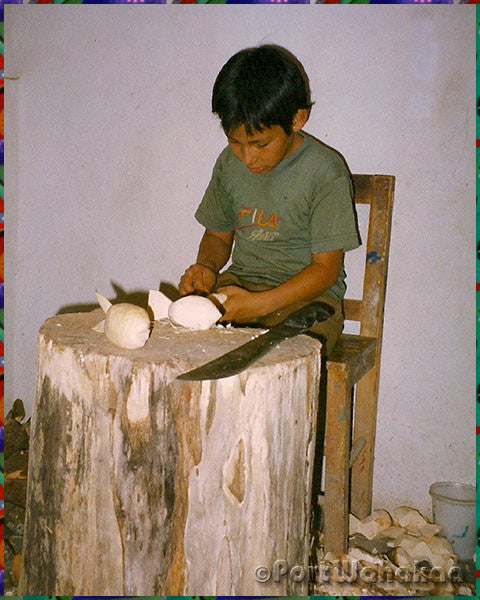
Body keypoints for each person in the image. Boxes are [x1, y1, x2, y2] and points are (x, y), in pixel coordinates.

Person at [179, 44, 360, 355]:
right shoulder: (228, 163)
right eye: (235, 142)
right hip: (241, 288)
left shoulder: (325, 171)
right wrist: (206, 268)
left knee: (279, 360)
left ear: (297, 119)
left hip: (308, 302)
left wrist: (260, 305)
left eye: (260, 143)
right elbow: (217, 237)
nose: (248, 157)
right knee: (182, 342)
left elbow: (326, 270)